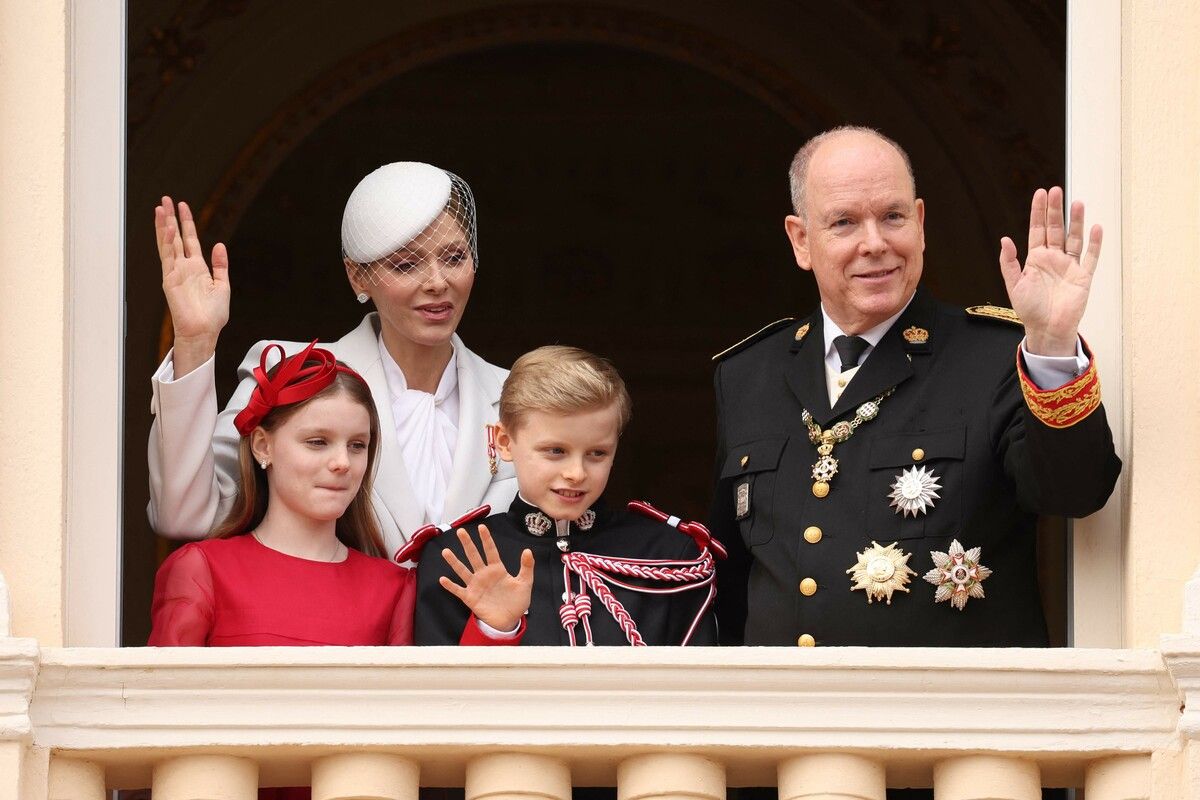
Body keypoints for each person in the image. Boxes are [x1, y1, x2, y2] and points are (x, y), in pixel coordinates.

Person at [710, 126, 1121, 649]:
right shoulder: (748, 374)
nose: (875, 243)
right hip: (784, 700)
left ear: (920, 224)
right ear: (801, 240)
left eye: (893, 216)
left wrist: (1053, 343)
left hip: (948, 701)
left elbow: (1075, 492)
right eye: (844, 222)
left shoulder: (995, 357)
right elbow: (726, 576)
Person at [148, 162, 516, 555]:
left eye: (455, 257)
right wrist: (195, 342)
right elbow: (185, 515)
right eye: (406, 264)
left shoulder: (518, 395)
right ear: (358, 276)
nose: (438, 282)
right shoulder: (291, 371)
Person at [148, 341, 533, 648]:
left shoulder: (393, 586)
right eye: (317, 442)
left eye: (357, 445)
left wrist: (495, 628)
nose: (342, 463)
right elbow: (159, 706)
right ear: (263, 446)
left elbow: (422, 710)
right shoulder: (202, 569)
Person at [411, 346, 722, 646]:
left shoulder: (669, 556)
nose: (576, 473)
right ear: (503, 442)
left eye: (597, 453)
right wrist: (496, 631)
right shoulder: (456, 557)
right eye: (556, 451)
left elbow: (701, 681)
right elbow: (437, 683)